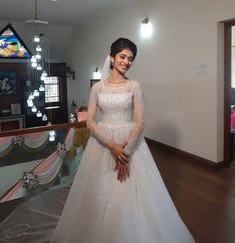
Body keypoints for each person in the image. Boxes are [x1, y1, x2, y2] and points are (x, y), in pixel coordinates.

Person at [50, 38, 195, 243]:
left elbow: (140, 122)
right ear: (111, 57)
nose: (126, 62)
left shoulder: (134, 86)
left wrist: (125, 152)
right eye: (122, 56)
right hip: (102, 142)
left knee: (135, 196)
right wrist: (112, 146)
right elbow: (90, 122)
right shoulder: (97, 88)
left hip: (131, 141)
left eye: (131, 58)